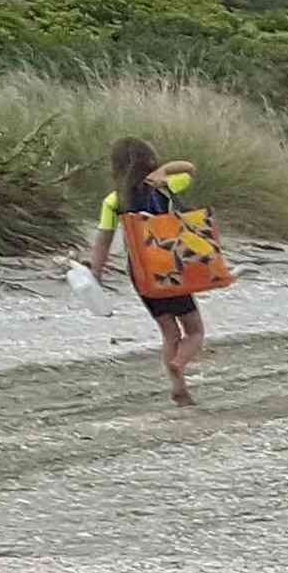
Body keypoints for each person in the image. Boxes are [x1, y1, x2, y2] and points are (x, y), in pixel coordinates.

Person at [82, 138, 213, 406]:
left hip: (140, 271)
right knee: (195, 330)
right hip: (169, 264)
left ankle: (179, 388)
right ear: (150, 162)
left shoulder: (114, 200)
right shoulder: (166, 186)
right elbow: (190, 169)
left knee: (169, 332)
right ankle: (179, 362)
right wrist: (164, 172)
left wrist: (95, 274)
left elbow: (103, 240)